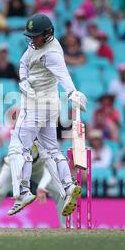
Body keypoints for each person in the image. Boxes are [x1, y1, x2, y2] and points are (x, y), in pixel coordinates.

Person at [6, 13, 87, 217]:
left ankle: (22, 192)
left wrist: (72, 92)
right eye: (31, 36)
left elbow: (63, 74)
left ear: (47, 34)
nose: (32, 39)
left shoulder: (51, 53)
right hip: (50, 107)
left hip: (35, 106)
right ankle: (68, 188)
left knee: (18, 147)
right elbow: (23, 63)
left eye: (36, 36)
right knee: (50, 150)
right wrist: (23, 80)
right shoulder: (35, 46)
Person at [0, 141, 67, 228]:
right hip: (13, 168)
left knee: (60, 192)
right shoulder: (18, 140)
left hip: (38, 169)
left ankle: (66, 225)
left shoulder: (46, 141)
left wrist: (41, 187)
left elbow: (49, 170)